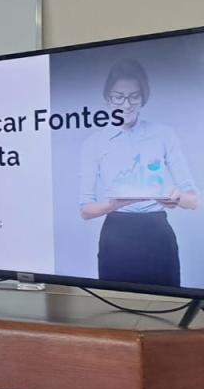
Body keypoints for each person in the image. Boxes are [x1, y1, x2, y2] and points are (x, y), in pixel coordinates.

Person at [78, 57, 198, 287]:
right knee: (112, 312)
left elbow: (193, 201)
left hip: (158, 235)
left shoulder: (164, 134)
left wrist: (178, 198)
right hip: (115, 237)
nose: (126, 103)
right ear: (108, 97)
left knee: (167, 307)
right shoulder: (94, 143)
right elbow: (85, 210)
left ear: (143, 97)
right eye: (119, 96)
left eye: (134, 96)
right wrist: (113, 205)